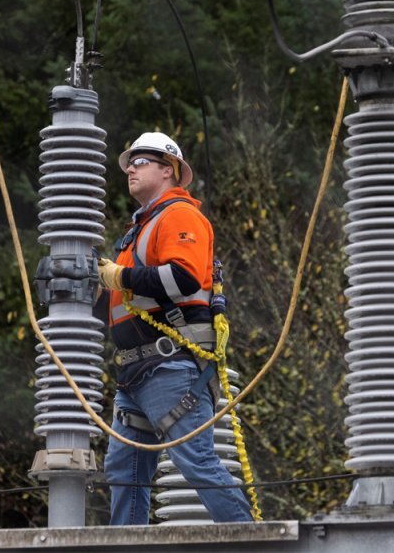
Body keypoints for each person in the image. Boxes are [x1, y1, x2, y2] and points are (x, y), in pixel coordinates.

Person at [95, 131, 253, 524]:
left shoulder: (180, 216)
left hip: (170, 366)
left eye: (140, 161)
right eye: (130, 162)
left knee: (196, 463)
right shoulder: (137, 232)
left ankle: (254, 542)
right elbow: (118, 308)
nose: (130, 167)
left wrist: (121, 277)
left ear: (169, 170)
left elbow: (182, 278)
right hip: (135, 372)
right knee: (125, 473)